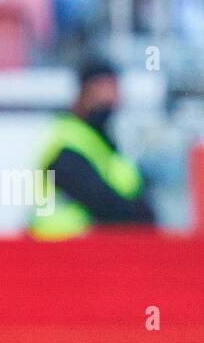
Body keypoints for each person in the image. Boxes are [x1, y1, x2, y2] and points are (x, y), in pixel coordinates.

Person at [30, 58, 154, 239]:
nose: (109, 99)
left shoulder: (108, 144)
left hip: (100, 252)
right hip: (60, 251)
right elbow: (103, 204)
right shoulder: (67, 143)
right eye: (101, 89)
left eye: (113, 90)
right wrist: (141, 215)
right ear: (82, 93)